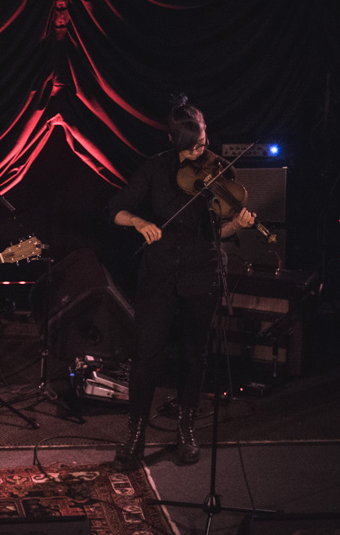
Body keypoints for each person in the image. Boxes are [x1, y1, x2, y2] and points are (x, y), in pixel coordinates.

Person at [106, 100, 257, 468]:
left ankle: (186, 428)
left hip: (202, 273)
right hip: (158, 274)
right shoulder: (156, 167)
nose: (198, 151)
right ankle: (136, 431)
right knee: (147, 356)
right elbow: (117, 209)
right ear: (174, 139)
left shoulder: (216, 171)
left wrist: (236, 226)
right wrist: (140, 223)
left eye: (202, 143)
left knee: (195, 354)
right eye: (190, 145)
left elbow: (217, 231)